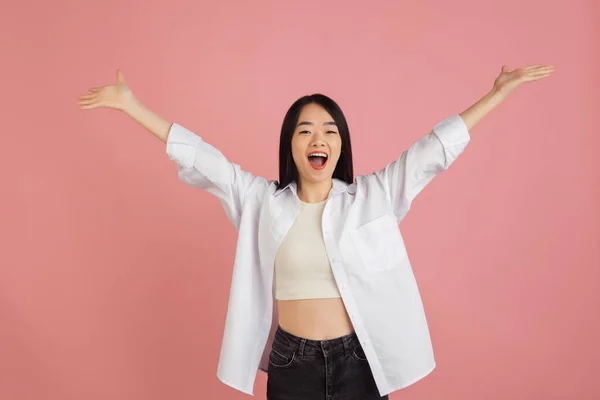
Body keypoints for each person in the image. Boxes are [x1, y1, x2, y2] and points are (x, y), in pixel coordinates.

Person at [78, 64, 554, 399]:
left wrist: (497, 93)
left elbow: (431, 152)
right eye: (305, 130)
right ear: (291, 145)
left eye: (329, 130)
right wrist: (130, 105)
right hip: (292, 366)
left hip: (361, 361)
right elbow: (203, 159)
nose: (318, 138)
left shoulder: (373, 195)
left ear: (341, 144)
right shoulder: (260, 202)